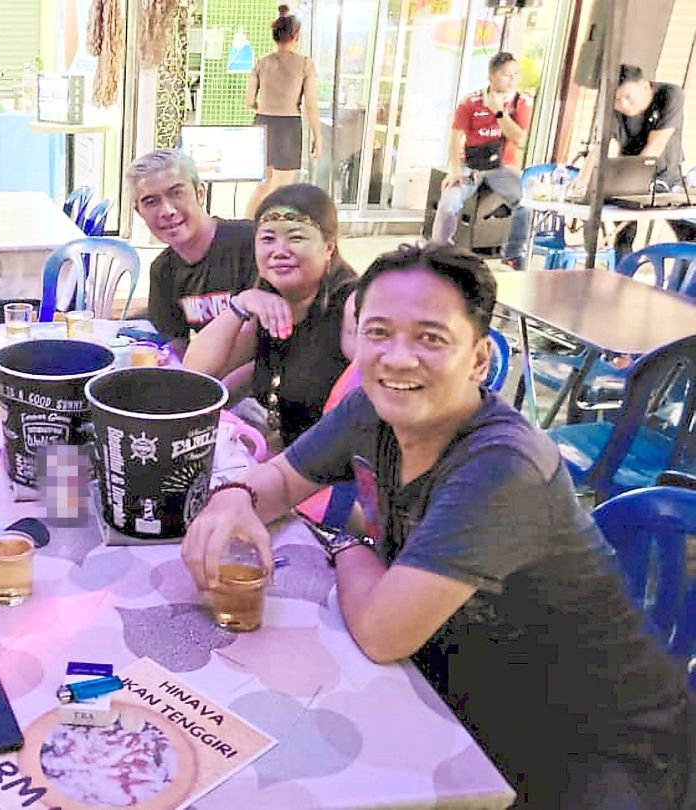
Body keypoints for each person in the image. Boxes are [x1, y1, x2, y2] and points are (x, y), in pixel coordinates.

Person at [184, 243, 690, 807]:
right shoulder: (372, 409)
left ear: (477, 360)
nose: (397, 358)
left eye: (430, 337)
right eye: (378, 332)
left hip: (588, 751)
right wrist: (232, 498)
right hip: (455, 684)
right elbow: (277, 481)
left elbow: (382, 631)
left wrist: (347, 544)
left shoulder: (502, 466)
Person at [183, 183, 357, 451]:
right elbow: (197, 370)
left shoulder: (352, 306)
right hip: (287, 462)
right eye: (267, 239)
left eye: (296, 238)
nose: (279, 250)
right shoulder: (265, 304)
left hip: (335, 474)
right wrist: (241, 304)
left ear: (329, 248)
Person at [128, 149, 257, 360]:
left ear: (199, 193)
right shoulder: (163, 270)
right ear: (138, 211)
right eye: (151, 201)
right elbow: (176, 343)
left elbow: (255, 345)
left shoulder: (251, 243)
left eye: (176, 193)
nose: (167, 210)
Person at [579, 64, 695, 261]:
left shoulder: (670, 95)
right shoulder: (611, 107)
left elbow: (656, 145)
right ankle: (622, 273)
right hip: (626, 178)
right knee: (622, 235)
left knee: (687, 234)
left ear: (644, 86)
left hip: (665, 176)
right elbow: (599, 145)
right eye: (616, 99)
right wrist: (583, 179)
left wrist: (631, 181)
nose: (622, 104)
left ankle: (683, 283)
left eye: (628, 97)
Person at [433, 52, 532, 270]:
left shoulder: (520, 103)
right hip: (472, 165)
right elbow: (455, 138)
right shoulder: (471, 102)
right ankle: (438, 253)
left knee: (525, 204)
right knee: (449, 203)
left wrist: (498, 111)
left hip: (502, 166)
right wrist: (455, 170)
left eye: (516, 74)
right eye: (506, 75)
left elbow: (520, 138)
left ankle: (513, 255)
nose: (512, 79)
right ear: (491, 76)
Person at [243, 4, 321, 218]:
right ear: (296, 36)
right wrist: (317, 136)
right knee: (282, 189)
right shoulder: (305, 64)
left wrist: (264, 108)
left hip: (262, 123)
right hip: (288, 126)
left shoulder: (262, 62)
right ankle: (274, 229)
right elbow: (311, 105)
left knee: (263, 185)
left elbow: (249, 100)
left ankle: (246, 225)